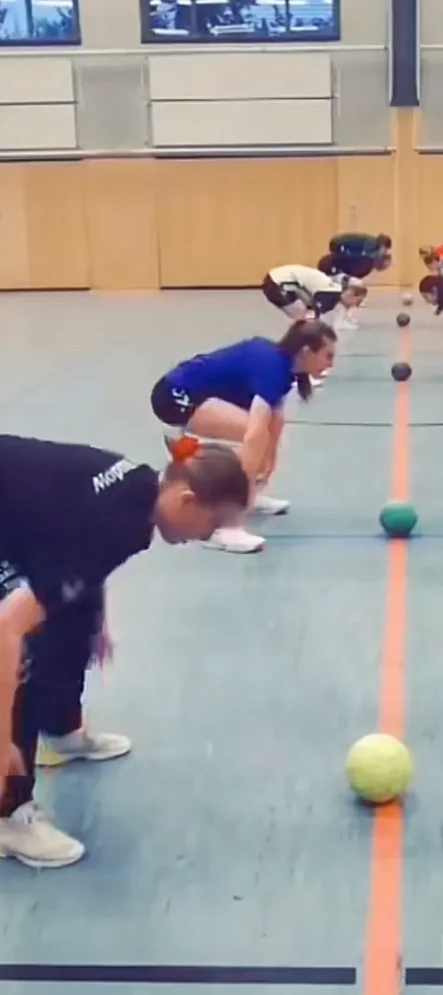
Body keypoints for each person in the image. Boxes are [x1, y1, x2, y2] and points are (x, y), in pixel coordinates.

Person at [0, 433, 249, 868]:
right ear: (188, 500)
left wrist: (97, 622)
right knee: (21, 652)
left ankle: (60, 727)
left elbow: (79, 560)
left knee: (71, 610)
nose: (206, 536)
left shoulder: (140, 493)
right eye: (212, 525)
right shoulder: (116, 522)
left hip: (16, 523)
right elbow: (7, 629)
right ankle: (7, 812)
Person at [150, 321, 337, 554]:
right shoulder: (272, 367)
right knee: (255, 435)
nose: (331, 363)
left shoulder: (284, 369)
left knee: (267, 432)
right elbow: (254, 437)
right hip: (173, 395)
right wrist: (241, 504)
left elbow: (275, 425)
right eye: (328, 355)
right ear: (307, 352)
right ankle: (222, 526)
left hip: (195, 395)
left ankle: (234, 489)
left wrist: (261, 477)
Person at [261, 264, 367, 326]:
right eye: (357, 302)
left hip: (276, 278)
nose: (355, 305)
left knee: (303, 317)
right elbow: (312, 316)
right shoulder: (332, 295)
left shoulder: (332, 289)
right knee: (304, 319)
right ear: (352, 294)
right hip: (277, 282)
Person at [318, 232, 392, 280]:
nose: (385, 251)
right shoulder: (373, 242)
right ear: (383, 245)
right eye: (385, 249)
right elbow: (364, 255)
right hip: (338, 243)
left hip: (339, 243)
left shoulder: (373, 242)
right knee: (348, 262)